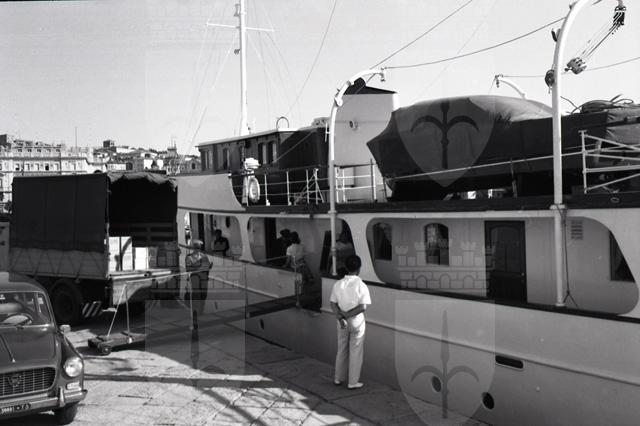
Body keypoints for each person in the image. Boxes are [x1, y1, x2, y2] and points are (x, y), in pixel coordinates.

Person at [329, 255, 371, 390]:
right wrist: (348, 315)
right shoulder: (361, 285)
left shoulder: (338, 284)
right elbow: (363, 307)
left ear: (346, 267)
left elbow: (333, 303)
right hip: (356, 321)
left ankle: (338, 378)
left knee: (341, 349)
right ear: (359, 269)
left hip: (341, 321)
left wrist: (340, 317)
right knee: (356, 351)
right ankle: (353, 382)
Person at [283, 232, 318, 309]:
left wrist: (284, 266)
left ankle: (299, 301)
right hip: (304, 267)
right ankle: (306, 301)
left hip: (296, 268)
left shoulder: (289, 248)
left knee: (298, 286)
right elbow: (304, 255)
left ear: (290, 239)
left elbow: (288, 260)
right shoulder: (302, 246)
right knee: (305, 285)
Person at [185, 239, 211, 312]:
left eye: (199, 247)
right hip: (195, 277)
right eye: (196, 247)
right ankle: (195, 310)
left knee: (204, 294)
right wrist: (199, 268)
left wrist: (209, 267)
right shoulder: (189, 257)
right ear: (193, 248)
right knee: (196, 294)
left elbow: (207, 266)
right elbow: (188, 268)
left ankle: (201, 309)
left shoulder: (204, 256)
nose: (197, 249)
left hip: (204, 277)